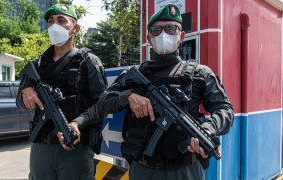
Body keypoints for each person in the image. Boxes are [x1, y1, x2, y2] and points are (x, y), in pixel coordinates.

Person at [60, 3, 234, 180]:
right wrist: (127, 97)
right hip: (143, 170)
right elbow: (102, 103)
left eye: (170, 28)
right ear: (149, 38)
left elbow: (225, 110)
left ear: (181, 36)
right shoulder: (134, 75)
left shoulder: (200, 73)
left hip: (186, 170)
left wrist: (208, 128)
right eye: (156, 30)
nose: (163, 34)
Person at [16, 3, 108, 180]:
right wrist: (25, 93)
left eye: (61, 20)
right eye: (50, 21)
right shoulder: (36, 65)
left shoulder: (88, 61)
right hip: (41, 148)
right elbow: (19, 103)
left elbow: (103, 104)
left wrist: (77, 123)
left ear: (75, 28)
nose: (54, 25)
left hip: (75, 149)